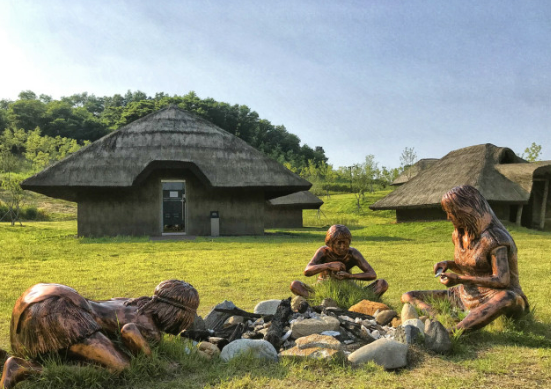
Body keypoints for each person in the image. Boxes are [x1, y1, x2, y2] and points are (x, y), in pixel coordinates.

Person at [0, 279, 199, 389]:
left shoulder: (133, 302)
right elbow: (128, 331)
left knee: (91, 355)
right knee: (122, 367)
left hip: (37, 298)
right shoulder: (151, 327)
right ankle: (24, 368)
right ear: (179, 314)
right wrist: (154, 360)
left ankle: (16, 361)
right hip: (61, 312)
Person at [402, 185, 529, 332]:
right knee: (408, 296)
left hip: (495, 297)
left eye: (452, 213)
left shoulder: (495, 239)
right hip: (464, 296)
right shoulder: (458, 235)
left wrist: (460, 279)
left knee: (507, 297)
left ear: (467, 211)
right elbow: (473, 267)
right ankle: (440, 317)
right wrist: (448, 264)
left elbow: (502, 280)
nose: (449, 217)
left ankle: (454, 331)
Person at [290, 224, 388, 298]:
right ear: (330, 243)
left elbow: (371, 274)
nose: (342, 246)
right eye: (339, 243)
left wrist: (350, 276)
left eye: (345, 243)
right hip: (323, 287)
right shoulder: (323, 252)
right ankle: (318, 300)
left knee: (382, 284)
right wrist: (328, 265)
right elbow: (307, 271)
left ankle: (356, 301)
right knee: (295, 285)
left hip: (348, 288)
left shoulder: (352, 253)